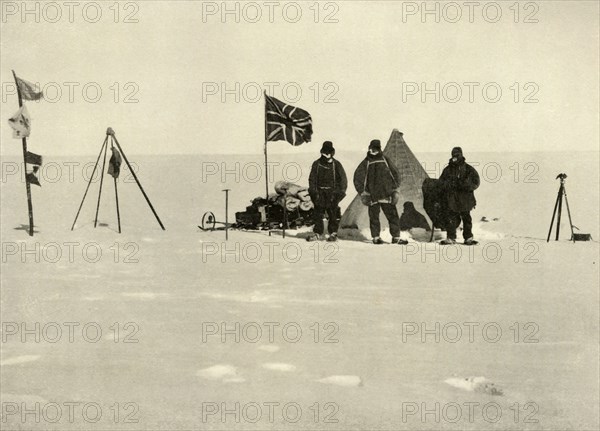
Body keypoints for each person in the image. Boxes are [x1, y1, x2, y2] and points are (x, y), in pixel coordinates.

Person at [353, 139, 408, 245]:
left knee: (392, 216)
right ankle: (376, 237)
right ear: (369, 149)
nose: (373, 151)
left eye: (375, 149)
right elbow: (358, 178)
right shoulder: (366, 162)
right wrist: (363, 192)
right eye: (372, 149)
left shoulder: (385, 160)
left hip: (386, 195)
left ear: (379, 149)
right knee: (374, 217)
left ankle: (396, 237)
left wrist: (395, 189)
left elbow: (395, 174)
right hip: (372, 196)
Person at [439, 147, 480, 245]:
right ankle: (451, 237)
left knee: (466, 218)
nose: (455, 157)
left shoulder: (468, 169)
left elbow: (476, 182)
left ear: (461, 155)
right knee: (451, 218)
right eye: (453, 155)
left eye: (457, 155)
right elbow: (441, 183)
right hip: (452, 199)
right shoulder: (447, 170)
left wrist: (465, 185)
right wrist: (448, 186)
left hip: (465, 199)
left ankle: (468, 238)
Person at [307, 141, 347, 242]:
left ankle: (333, 233)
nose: (326, 154)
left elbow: (343, 180)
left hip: (332, 193)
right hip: (319, 192)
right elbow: (312, 179)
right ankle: (317, 233)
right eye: (324, 152)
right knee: (318, 213)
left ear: (332, 153)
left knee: (333, 213)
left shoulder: (336, 164)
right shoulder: (317, 164)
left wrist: (339, 193)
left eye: (328, 152)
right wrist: (314, 192)